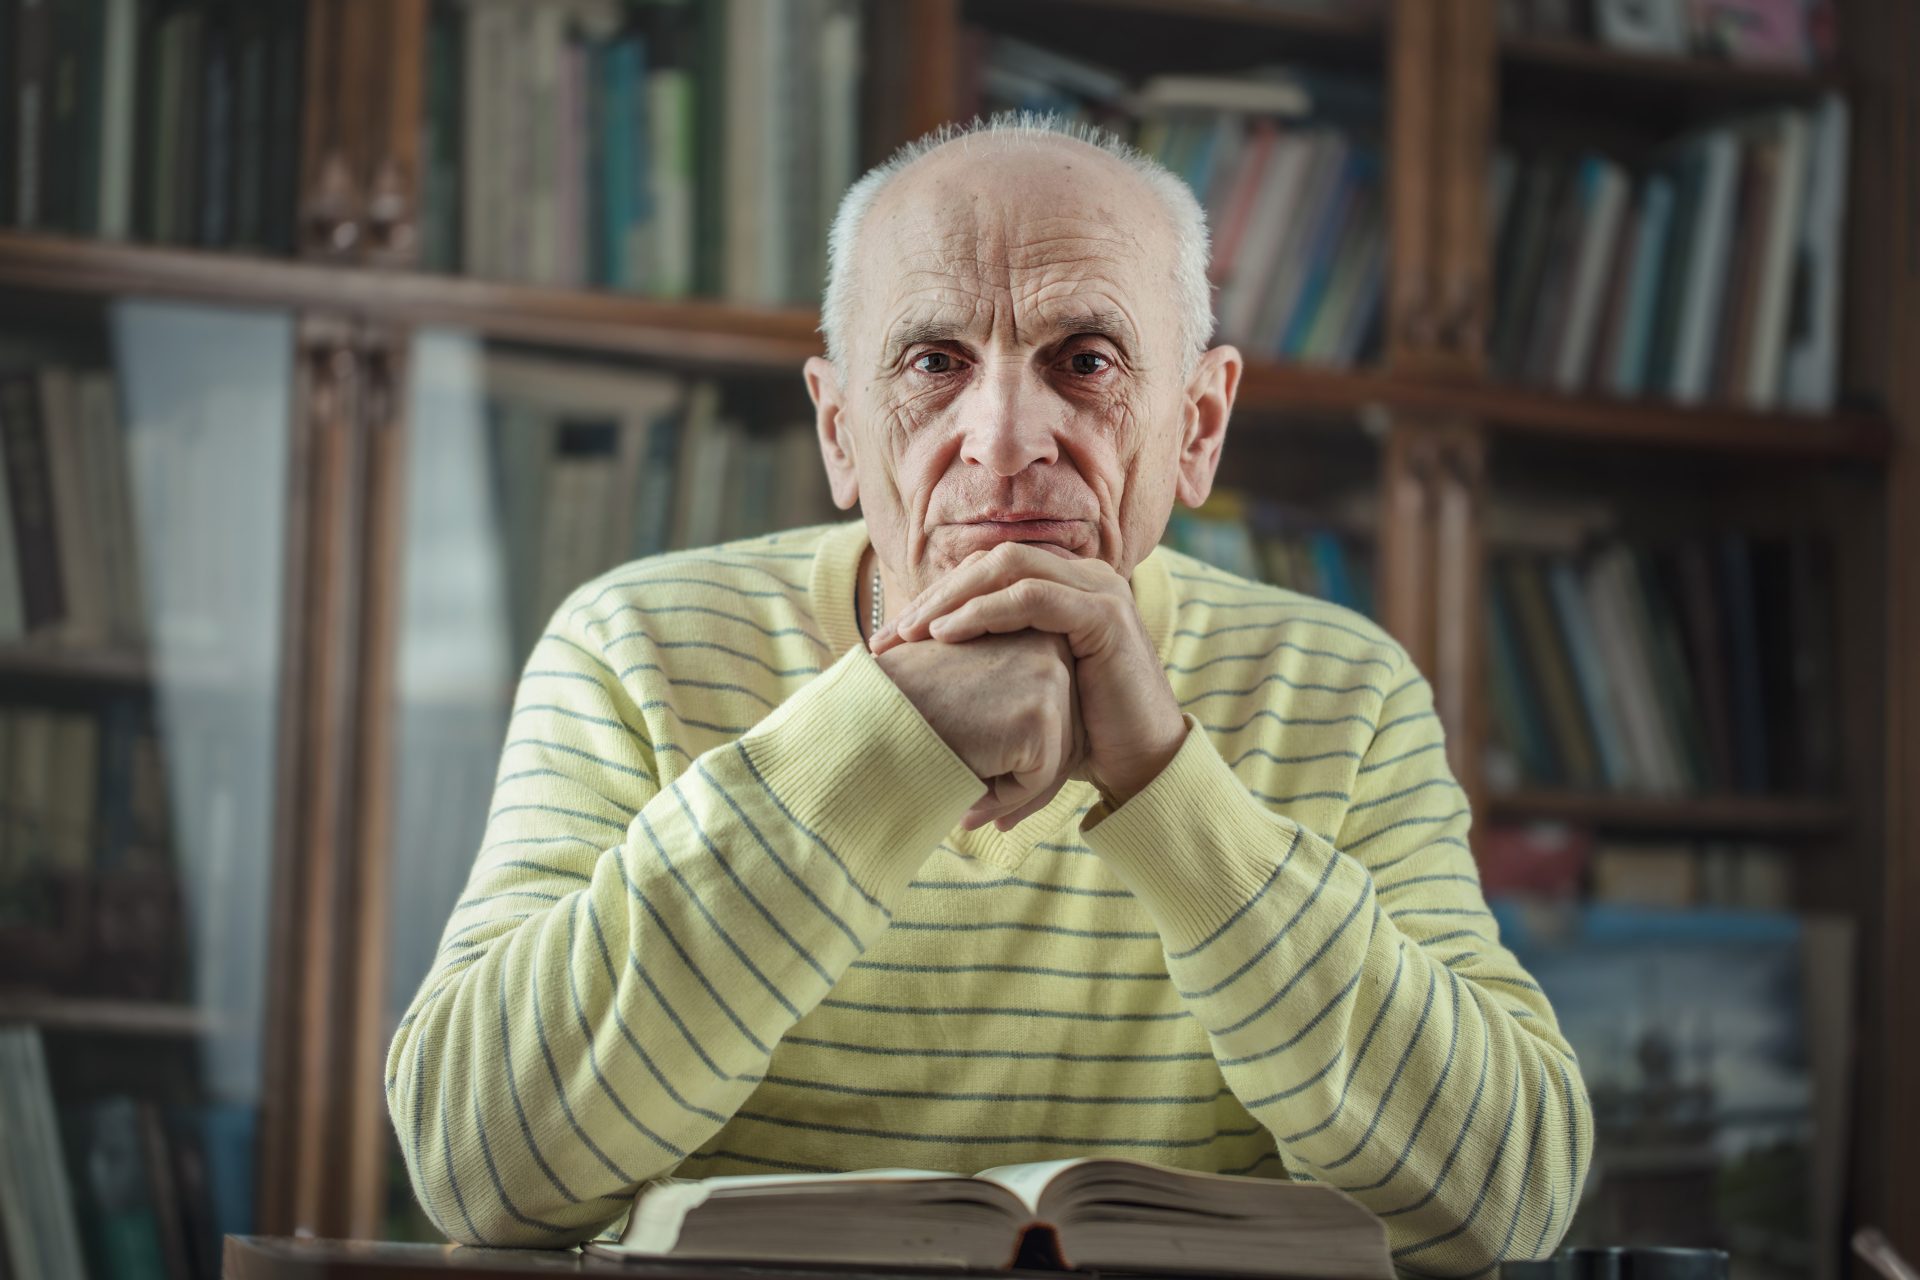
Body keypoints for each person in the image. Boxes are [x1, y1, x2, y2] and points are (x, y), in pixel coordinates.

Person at [387, 114, 1590, 1273]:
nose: (1005, 436)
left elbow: (1505, 1202)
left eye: (1086, 360)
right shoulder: (633, 645)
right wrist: (885, 738)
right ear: (842, 430)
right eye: (933, 361)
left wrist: (1169, 782)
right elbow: (481, 1163)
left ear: (1199, 424)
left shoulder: (1344, 690)